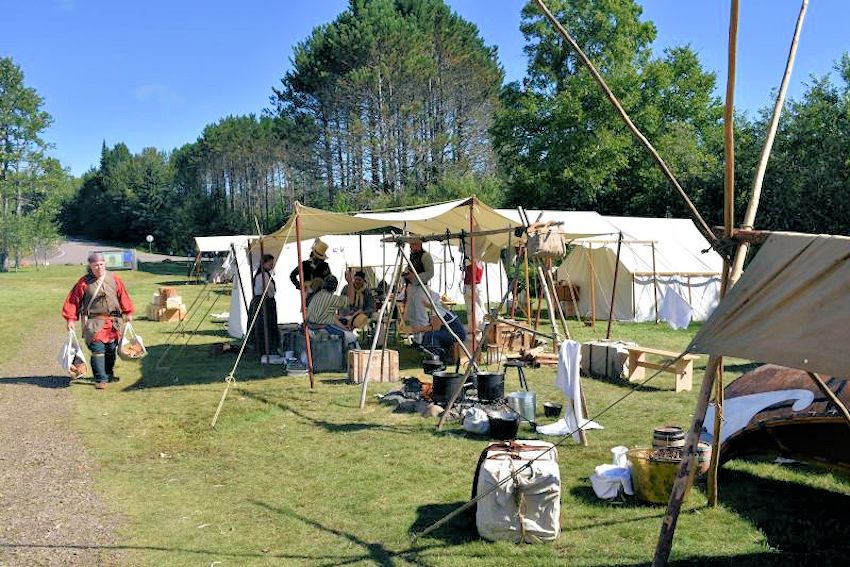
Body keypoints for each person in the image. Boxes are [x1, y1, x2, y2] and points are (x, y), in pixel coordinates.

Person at [62, 251, 135, 389]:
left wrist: (128, 311)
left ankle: (108, 373)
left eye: (101, 264)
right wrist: (70, 319)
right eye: (95, 265)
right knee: (98, 349)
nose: (99, 268)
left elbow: (123, 296)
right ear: (90, 266)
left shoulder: (114, 279)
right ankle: (100, 379)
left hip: (114, 322)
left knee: (111, 349)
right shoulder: (83, 282)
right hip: (95, 323)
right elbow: (73, 301)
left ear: (105, 264)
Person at [408, 288, 466, 357]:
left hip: (456, 334)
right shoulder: (438, 307)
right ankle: (431, 353)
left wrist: (419, 329)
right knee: (429, 334)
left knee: (431, 335)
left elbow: (435, 328)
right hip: (452, 332)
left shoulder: (437, 310)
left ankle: (434, 355)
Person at [305, 275, 359, 349]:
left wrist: (344, 327)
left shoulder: (317, 295)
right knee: (351, 337)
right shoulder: (331, 299)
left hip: (311, 326)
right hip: (320, 327)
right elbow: (350, 300)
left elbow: (331, 317)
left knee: (344, 328)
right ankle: (350, 358)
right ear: (335, 288)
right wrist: (350, 282)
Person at [403, 237, 434, 341]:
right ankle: (417, 339)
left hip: (421, 287)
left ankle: (424, 339)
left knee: (420, 313)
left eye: (412, 244)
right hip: (412, 286)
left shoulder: (425, 256)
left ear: (418, 244)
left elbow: (430, 273)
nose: (410, 246)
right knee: (412, 313)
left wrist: (416, 277)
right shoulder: (412, 255)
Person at [249, 254, 280, 355]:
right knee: (264, 325)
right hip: (263, 303)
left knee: (266, 325)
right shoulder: (263, 275)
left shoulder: (265, 274)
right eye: (270, 263)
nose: (272, 265)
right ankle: (264, 347)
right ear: (265, 263)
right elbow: (264, 290)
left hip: (264, 302)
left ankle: (267, 346)